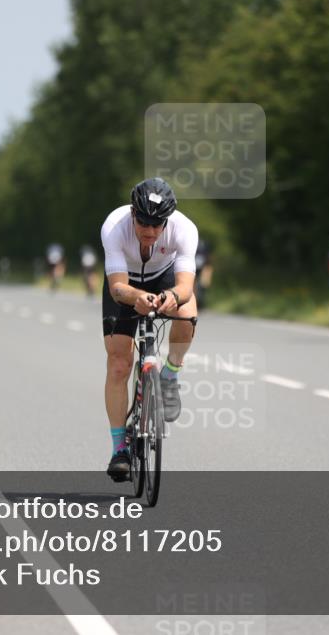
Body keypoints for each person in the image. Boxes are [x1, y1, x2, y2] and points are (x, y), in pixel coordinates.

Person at [100, 177, 199, 482]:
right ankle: (120, 449)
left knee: (186, 314)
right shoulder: (114, 226)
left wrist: (171, 297)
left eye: (158, 224)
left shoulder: (184, 229)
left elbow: (185, 285)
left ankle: (169, 375)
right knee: (119, 364)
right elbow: (117, 287)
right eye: (143, 221)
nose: (150, 230)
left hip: (164, 277)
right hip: (125, 284)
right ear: (133, 213)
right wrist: (136, 297)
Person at [193, 239, 214, 309]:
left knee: (202, 287)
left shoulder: (201, 244)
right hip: (197, 268)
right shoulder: (202, 245)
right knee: (196, 286)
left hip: (203, 268)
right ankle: (196, 303)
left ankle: (199, 304)